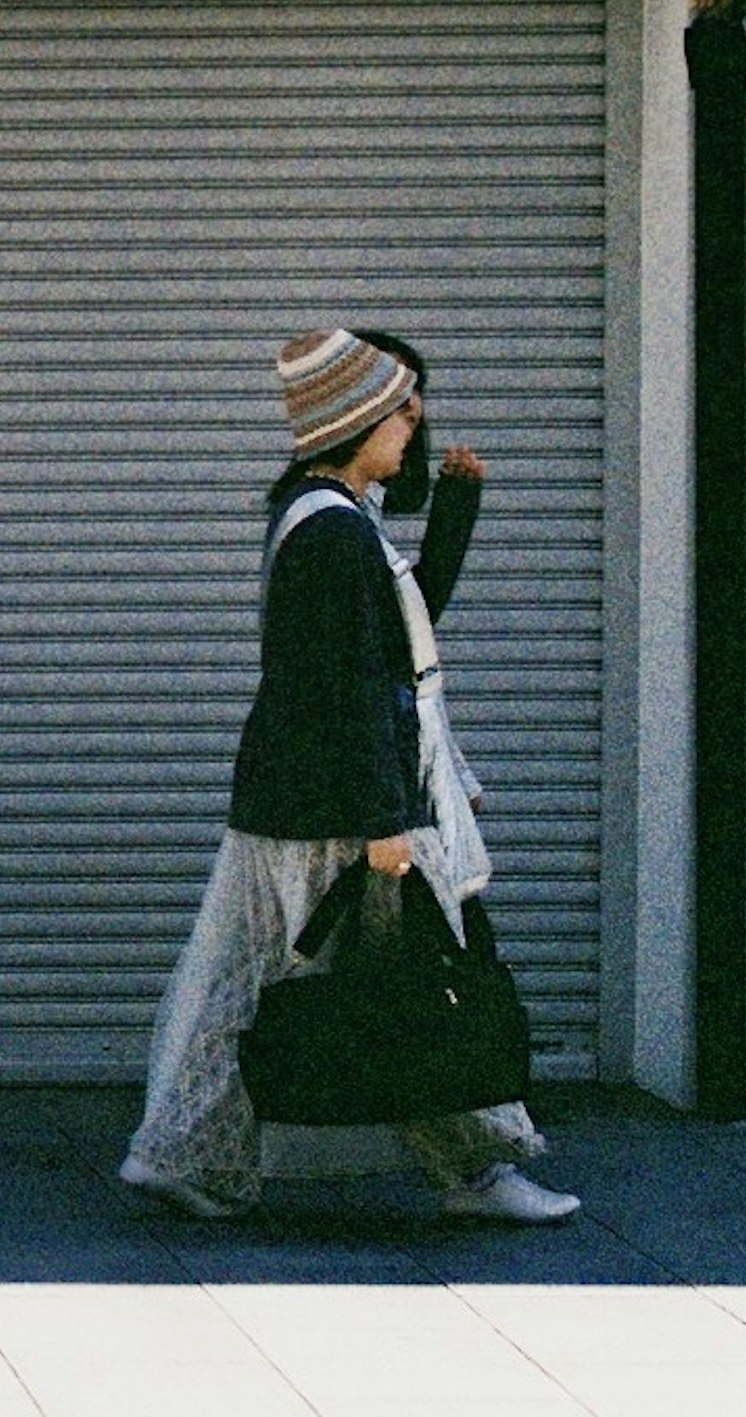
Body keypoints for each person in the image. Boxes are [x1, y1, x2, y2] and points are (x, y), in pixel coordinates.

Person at [122, 326, 578, 1224]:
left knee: (250, 983)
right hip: (336, 810)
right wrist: (386, 820)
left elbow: (399, 636)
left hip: (298, 802)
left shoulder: (328, 515)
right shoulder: (331, 531)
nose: (415, 422)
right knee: (427, 976)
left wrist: (454, 510)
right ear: (357, 418)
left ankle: (177, 1153)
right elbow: (353, 686)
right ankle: (477, 1169)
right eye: (401, 407)